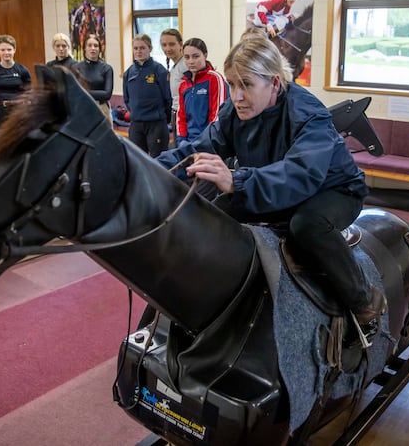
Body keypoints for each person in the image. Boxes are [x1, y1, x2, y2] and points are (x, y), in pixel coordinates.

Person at [157, 35, 385, 339]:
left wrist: (235, 180)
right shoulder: (233, 112)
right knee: (211, 215)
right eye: (232, 84)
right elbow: (198, 148)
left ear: (274, 83)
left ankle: (363, 301)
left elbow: (300, 174)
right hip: (271, 184)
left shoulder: (308, 113)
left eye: (246, 85)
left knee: (306, 225)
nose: (236, 96)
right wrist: (147, 168)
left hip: (332, 190)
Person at [123, 33, 171, 156]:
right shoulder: (129, 72)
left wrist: (163, 117)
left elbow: (167, 97)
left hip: (156, 123)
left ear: (150, 49)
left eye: (142, 48)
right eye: (136, 48)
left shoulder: (159, 70)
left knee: (159, 161)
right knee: (137, 161)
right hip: (136, 124)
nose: (139, 51)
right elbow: (127, 98)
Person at [176, 38, 229, 144]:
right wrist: (181, 139)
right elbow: (181, 116)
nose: (191, 61)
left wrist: (207, 139)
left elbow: (218, 113)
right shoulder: (183, 84)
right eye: (187, 57)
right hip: (188, 141)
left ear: (205, 55)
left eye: (196, 56)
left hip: (209, 140)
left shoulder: (215, 78)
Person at [0, 34, 32, 129]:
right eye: (2, 50)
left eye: (9, 49)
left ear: (14, 50)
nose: (6, 53)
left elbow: (28, 91)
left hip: (19, 110)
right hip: (1, 110)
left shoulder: (23, 70)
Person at [74, 33, 114, 124]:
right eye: (89, 45)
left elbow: (107, 94)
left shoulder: (107, 68)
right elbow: (74, 92)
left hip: (102, 109)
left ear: (99, 49)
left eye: (96, 46)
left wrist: (83, 92)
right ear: (84, 48)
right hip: (83, 108)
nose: (93, 48)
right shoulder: (76, 68)